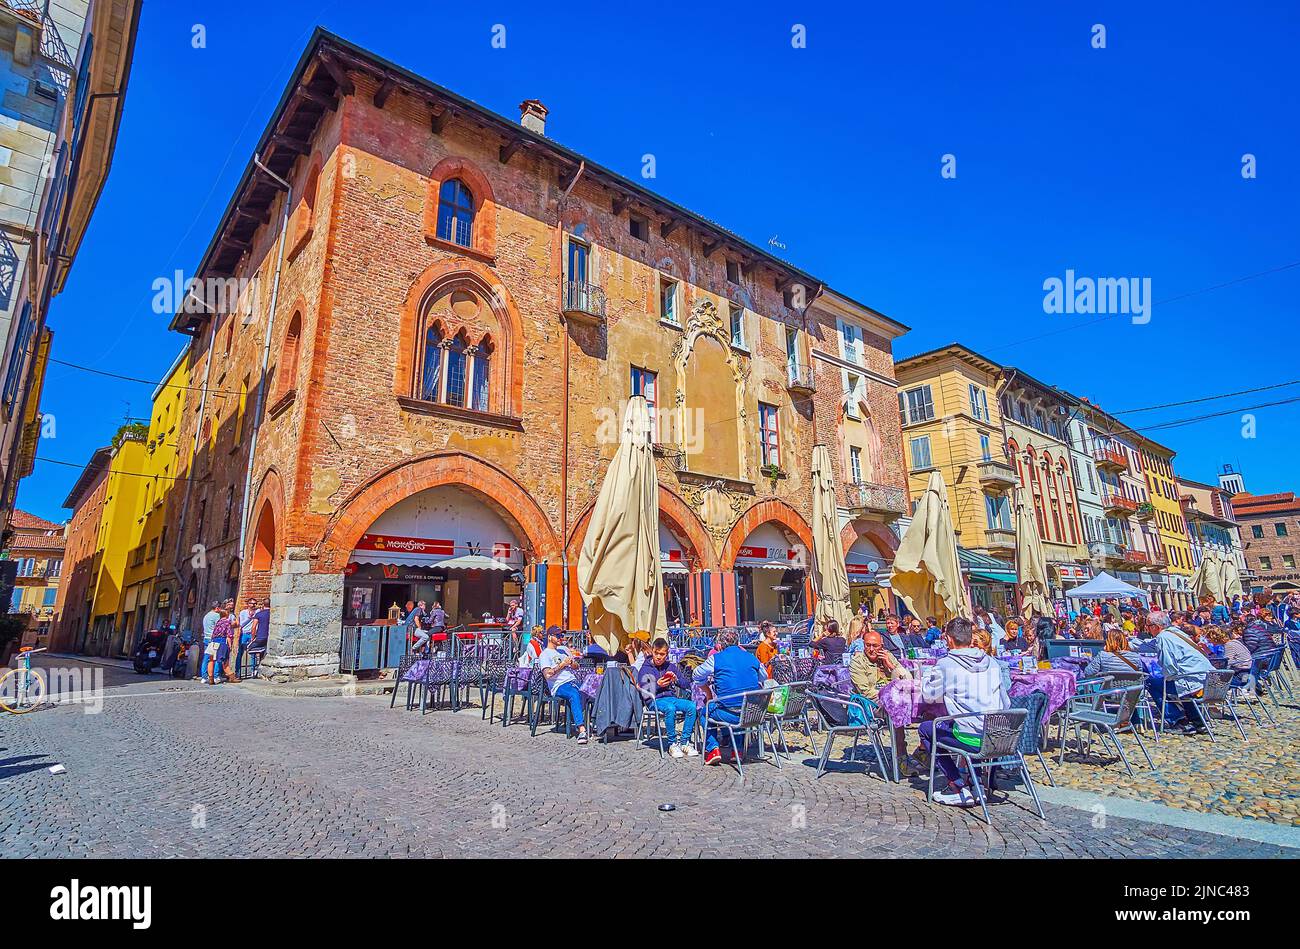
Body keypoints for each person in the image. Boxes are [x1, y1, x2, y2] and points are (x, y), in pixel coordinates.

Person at [918, 617, 1011, 807]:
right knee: (961, 723)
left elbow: (929, 695)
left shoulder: (946, 664)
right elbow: (1006, 702)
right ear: (970, 638)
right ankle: (975, 784)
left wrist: (927, 674)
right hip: (999, 736)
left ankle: (958, 785)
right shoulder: (992, 662)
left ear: (949, 640)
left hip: (973, 738)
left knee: (927, 729)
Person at [691, 628, 765, 766]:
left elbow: (696, 675)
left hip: (731, 713)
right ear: (738, 642)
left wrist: (706, 689)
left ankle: (712, 749)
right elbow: (764, 676)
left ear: (720, 644)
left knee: (705, 711)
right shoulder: (751, 657)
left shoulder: (716, 659)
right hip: (753, 713)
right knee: (739, 705)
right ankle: (737, 750)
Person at [848, 629, 915, 773]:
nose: (871, 649)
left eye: (875, 646)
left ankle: (925, 751)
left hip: (895, 697)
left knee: (927, 707)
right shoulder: (857, 662)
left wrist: (890, 667)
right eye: (868, 645)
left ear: (882, 645)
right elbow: (866, 691)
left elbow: (907, 679)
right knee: (897, 708)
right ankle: (901, 758)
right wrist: (888, 695)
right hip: (870, 705)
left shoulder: (888, 656)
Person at [1149, 610, 1212, 735]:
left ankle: (1176, 720)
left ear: (1156, 626)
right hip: (1208, 678)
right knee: (1173, 683)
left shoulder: (1163, 637)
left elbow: (1169, 665)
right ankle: (1196, 721)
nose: (1147, 629)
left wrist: (1165, 677)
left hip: (1192, 680)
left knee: (1153, 683)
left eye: (1148, 626)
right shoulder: (1176, 632)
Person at [637, 638, 698, 758]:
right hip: (655, 701)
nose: (659, 657)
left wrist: (676, 680)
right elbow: (644, 692)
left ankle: (684, 742)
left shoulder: (671, 666)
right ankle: (672, 743)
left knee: (691, 706)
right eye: (656, 653)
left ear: (667, 654)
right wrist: (657, 685)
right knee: (670, 708)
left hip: (671, 697)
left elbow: (686, 684)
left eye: (662, 654)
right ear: (652, 652)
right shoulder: (645, 669)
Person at [536, 626, 588, 744]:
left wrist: (573, 663)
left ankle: (593, 723)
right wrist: (562, 665)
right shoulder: (545, 655)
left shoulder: (563, 650)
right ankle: (582, 729)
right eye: (558, 636)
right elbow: (548, 675)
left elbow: (577, 667)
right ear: (550, 637)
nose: (561, 638)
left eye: (562, 635)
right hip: (559, 685)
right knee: (574, 694)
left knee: (589, 691)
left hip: (573, 680)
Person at [235, 596, 258, 679]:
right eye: (252, 603)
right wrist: (249, 618)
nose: (254, 605)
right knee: (240, 652)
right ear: (248, 604)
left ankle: (253, 670)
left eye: (255, 604)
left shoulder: (257, 612)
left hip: (253, 634)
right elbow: (241, 624)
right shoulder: (243, 612)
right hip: (244, 634)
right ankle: (237, 671)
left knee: (253, 653)